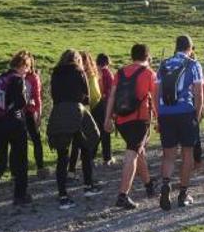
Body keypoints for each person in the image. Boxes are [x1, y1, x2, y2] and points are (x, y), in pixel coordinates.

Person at [103, 44, 157, 210]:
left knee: (137, 151)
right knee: (132, 154)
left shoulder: (120, 72)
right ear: (147, 56)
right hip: (140, 120)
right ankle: (123, 195)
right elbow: (155, 99)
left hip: (121, 120)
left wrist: (107, 118)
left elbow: (112, 96)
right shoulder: (149, 73)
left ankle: (149, 185)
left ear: (132, 56)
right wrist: (159, 119)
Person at [0, 51, 32, 215]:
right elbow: (21, 103)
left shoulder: (0, 78)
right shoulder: (17, 80)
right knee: (20, 160)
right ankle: (20, 196)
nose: (28, 71)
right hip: (14, 124)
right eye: (28, 67)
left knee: (0, 162)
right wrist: (27, 99)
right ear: (22, 65)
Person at [47, 49, 102, 210]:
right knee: (86, 146)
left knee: (62, 156)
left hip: (58, 111)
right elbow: (86, 96)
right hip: (77, 112)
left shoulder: (55, 73)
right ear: (77, 60)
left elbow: (53, 94)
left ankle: (63, 195)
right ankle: (88, 185)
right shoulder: (79, 72)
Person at [155, 36, 204, 211]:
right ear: (190, 48)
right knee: (187, 154)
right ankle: (183, 194)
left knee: (168, 155)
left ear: (175, 47)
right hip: (185, 112)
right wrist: (197, 115)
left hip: (166, 113)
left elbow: (156, 93)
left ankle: (165, 184)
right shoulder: (193, 64)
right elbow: (199, 93)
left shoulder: (163, 64)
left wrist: (159, 114)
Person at [67, 52, 102, 175]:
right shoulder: (87, 75)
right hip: (86, 110)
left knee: (79, 141)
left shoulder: (85, 75)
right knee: (83, 140)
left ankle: (76, 167)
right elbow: (95, 95)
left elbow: (94, 95)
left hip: (84, 110)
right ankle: (83, 167)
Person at [24, 57, 49, 178]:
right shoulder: (34, 77)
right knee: (36, 140)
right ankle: (40, 168)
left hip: (17, 112)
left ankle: (16, 171)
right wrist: (38, 115)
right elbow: (37, 98)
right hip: (30, 111)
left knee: (18, 142)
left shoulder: (18, 76)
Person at [95, 53, 116, 166]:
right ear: (107, 62)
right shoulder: (107, 72)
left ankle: (91, 155)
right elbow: (111, 91)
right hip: (105, 104)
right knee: (105, 131)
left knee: (96, 130)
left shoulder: (94, 72)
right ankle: (107, 157)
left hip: (95, 104)